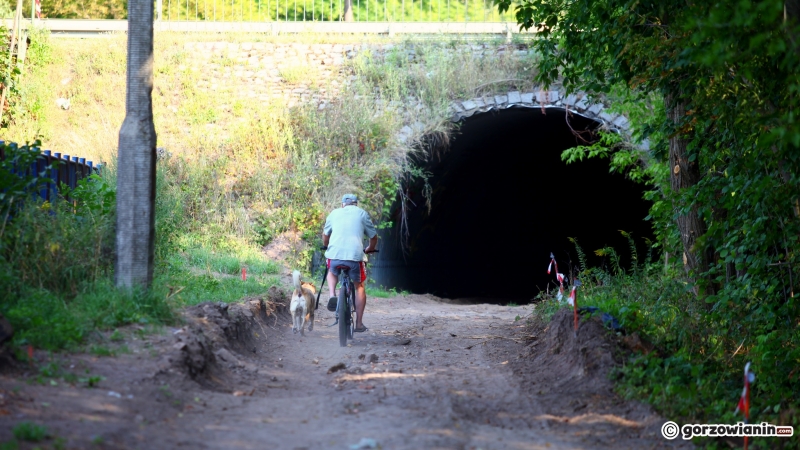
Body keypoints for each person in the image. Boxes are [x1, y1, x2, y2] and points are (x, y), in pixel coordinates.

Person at [322, 193, 378, 333]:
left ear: (342, 204)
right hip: (354, 257)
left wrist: (327, 245)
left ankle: (332, 295)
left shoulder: (334, 213)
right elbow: (373, 236)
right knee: (359, 287)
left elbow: (325, 235)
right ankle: (358, 324)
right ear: (355, 204)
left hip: (335, 255)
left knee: (331, 270)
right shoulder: (362, 214)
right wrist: (370, 248)